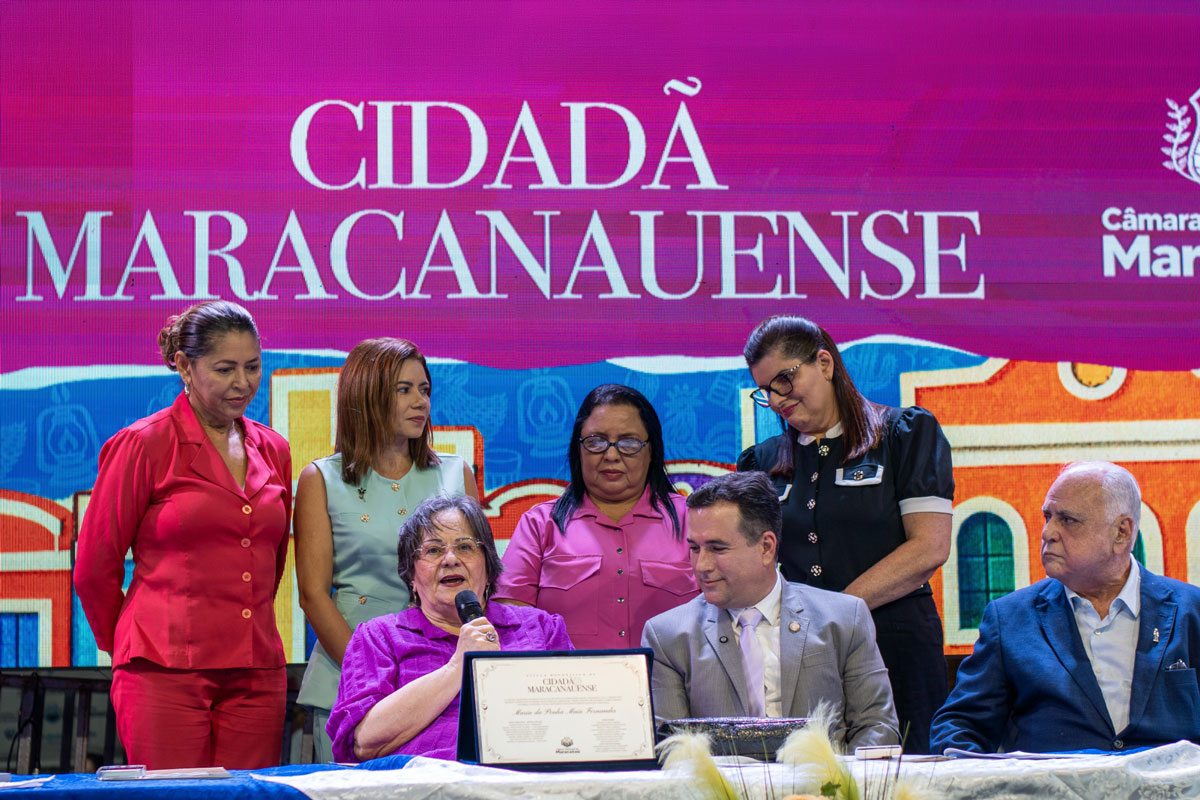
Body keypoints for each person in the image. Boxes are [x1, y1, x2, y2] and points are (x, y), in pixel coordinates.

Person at [74, 301, 292, 769]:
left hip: (256, 670)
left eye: (253, 367)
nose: (243, 383)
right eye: (225, 369)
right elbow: (95, 568)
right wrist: (130, 648)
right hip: (161, 670)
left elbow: (270, 561)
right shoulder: (143, 443)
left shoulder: (273, 448)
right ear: (184, 367)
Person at [737, 315, 952, 753]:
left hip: (895, 643)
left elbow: (929, 547)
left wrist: (838, 614)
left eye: (785, 379)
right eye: (766, 391)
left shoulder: (904, 435)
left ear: (825, 362)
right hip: (801, 651)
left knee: (903, 772)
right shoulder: (758, 463)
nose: (777, 399)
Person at [930, 462, 1200, 753]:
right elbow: (958, 726)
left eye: (1068, 520)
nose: (1048, 532)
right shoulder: (1009, 619)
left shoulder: (1191, 610)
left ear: (1122, 532)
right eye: (1048, 517)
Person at [294, 338, 476, 762]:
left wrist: (439, 678)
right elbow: (313, 595)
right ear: (367, 394)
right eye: (404, 389)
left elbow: (476, 577)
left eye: (425, 389)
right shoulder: (321, 478)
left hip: (445, 682)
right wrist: (371, 676)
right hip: (350, 682)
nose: (420, 402)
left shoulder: (455, 473)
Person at [642, 471, 899, 750]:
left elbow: (877, 728)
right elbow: (673, 750)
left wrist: (831, 786)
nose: (701, 565)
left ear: (766, 547)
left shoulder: (845, 618)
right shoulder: (667, 635)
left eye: (717, 548)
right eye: (695, 548)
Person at [327, 495, 573, 761]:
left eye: (465, 547)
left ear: (489, 568)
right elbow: (363, 743)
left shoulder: (541, 628)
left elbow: (578, 715)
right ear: (411, 576)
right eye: (433, 550)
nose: (450, 559)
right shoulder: (380, 637)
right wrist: (458, 666)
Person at [494, 384, 697, 649]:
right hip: (567, 687)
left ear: (652, 451)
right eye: (596, 442)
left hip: (674, 687)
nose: (611, 455)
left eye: (629, 443)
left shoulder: (694, 521)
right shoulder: (540, 525)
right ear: (578, 449)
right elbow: (511, 622)